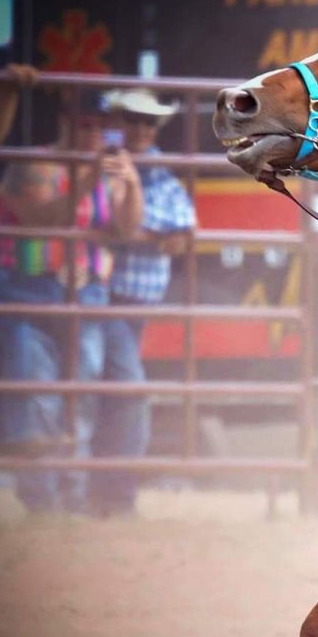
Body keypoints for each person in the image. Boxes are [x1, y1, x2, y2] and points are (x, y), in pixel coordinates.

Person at [0, 89, 145, 514]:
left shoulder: (109, 168)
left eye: (100, 126)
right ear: (65, 125)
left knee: (80, 389)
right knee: (39, 385)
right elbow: (40, 218)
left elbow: (128, 231)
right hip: (23, 288)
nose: (94, 134)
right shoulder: (33, 162)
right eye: (85, 125)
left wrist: (130, 182)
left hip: (85, 293)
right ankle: (42, 496)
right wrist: (88, 178)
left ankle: (69, 493)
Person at [96, 87, 198, 516]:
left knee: (103, 391)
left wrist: (128, 230)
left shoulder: (157, 172)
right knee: (126, 392)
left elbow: (180, 238)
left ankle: (95, 491)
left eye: (148, 121)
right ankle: (114, 495)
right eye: (132, 119)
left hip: (128, 303)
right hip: (101, 298)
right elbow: (155, 233)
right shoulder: (100, 163)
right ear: (117, 121)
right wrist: (145, 233)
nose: (140, 129)